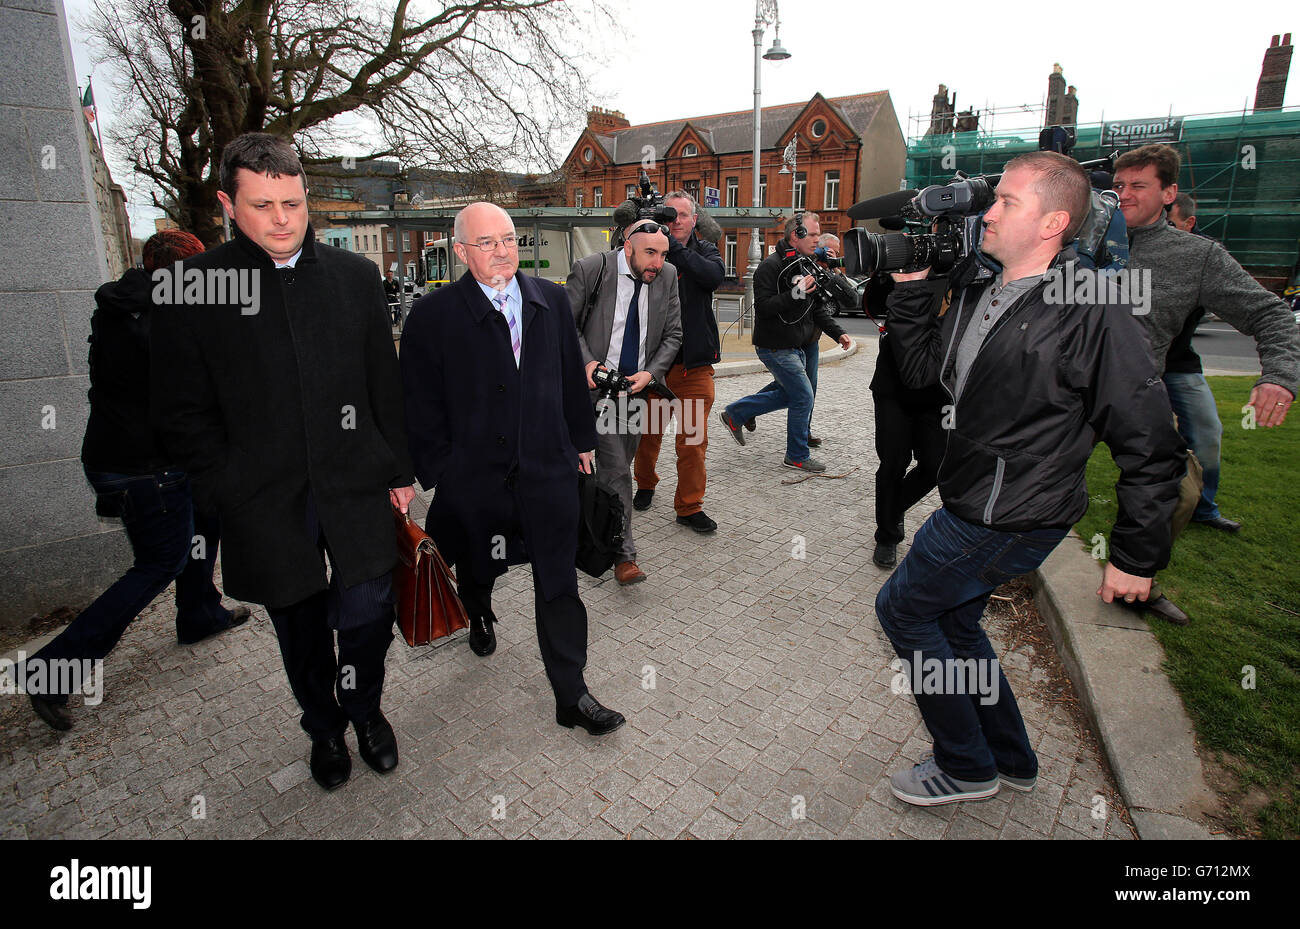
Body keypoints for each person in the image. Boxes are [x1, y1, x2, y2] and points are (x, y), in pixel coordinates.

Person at [878, 151, 1186, 806]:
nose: (988, 211)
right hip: (975, 495)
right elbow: (925, 377)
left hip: (1010, 513)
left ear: (1053, 222)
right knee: (956, 622)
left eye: (1006, 202)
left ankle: (963, 764)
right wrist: (909, 294)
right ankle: (1009, 757)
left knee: (902, 607)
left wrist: (1135, 554)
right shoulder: (977, 287)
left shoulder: (1090, 308)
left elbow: (1151, 441)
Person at [152, 133, 416, 791]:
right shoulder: (193, 287)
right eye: (263, 204)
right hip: (265, 503)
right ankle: (324, 728)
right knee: (298, 628)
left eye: (293, 203)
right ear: (227, 204)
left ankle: (366, 709)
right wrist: (225, 490)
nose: (281, 219)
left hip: (355, 484)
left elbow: (384, 383)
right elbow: (182, 411)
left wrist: (401, 471)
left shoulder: (355, 278)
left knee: (367, 611)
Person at [401, 202, 624, 737]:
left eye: (507, 239)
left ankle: (572, 694)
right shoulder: (433, 318)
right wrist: (442, 471)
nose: (501, 250)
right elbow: (415, 402)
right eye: (487, 242)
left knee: (558, 583)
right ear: (461, 252)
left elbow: (573, 377)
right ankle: (478, 612)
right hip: (474, 481)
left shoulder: (547, 299)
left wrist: (581, 439)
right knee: (479, 565)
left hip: (548, 473)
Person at [22, 231, 251, 732]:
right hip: (148, 469)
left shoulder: (118, 306)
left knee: (204, 520)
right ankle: (50, 672)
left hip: (122, 456)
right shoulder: (163, 322)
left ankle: (199, 612)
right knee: (157, 564)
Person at [1115, 144, 1299, 622]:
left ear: (1169, 193)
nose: (1124, 195)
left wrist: (1278, 377)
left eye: (1138, 186)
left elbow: (1270, 313)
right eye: (1118, 185)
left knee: (1180, 491)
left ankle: (1140, 581)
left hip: (1139, 393)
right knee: (1029, 478)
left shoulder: (1197, 257)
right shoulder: (1077, 241)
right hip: (1068, 395)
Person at [566, 219, 683, 585]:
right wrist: (587, 362)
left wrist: (651, 374)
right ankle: (623, 555)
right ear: (628, 246)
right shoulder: (591, 269)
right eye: (650, 253)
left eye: (663, 254)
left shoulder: (666, 276)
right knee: (616, 471)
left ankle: (588, 531)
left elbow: (673, 334)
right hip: (592, 391)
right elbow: (564, 326)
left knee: (614, 473)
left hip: (633, 392)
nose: (657, 262)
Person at [719, 212, 851, 472]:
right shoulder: (770, 266)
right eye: (812, 235)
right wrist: (795, 293)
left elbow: (816, 310)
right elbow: (765, 307)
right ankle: (797, 455)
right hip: (775, 346)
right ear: (796, 235)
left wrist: (838, 333)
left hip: (797, 346)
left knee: (792, 393)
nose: (817, 241)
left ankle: (737, 413)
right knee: (802, 396)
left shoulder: (805, 264)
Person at [632, 191, 724, 533]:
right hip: (656, 368)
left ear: (694, 219)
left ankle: (689, 506)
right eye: (670, 216)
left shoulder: (705, 251)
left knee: (692, 441)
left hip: (693, 368)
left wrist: (674, 246)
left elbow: (713, 277)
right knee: (648, 434)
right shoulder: (648, 251)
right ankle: (645, 483)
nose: (676, 221)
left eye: (682, 215)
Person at [867, 271, 947, 569]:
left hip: (937, 392)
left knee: (935, 465)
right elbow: (872, 305)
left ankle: (893, 507)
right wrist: (892, 275)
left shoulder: (964, 272)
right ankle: (887, 535)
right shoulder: (901, 270)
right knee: (892, 463)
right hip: (893, 389)